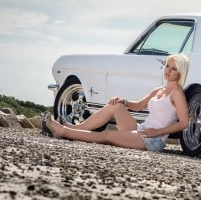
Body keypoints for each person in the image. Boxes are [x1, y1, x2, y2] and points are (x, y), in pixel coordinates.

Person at [42, 53, 190, 152]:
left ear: (180, 73)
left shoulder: (177, 93)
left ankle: (63, 131)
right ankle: (75, 128)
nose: (168, 71)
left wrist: (158, 132)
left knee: (108, 135)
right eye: (167, 66)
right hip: (141, 129)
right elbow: (138, 105)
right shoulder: (158, 89)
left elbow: (184, 123)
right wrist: (123, 101)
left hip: (152, 139)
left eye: (174, 69)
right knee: (115, 105)